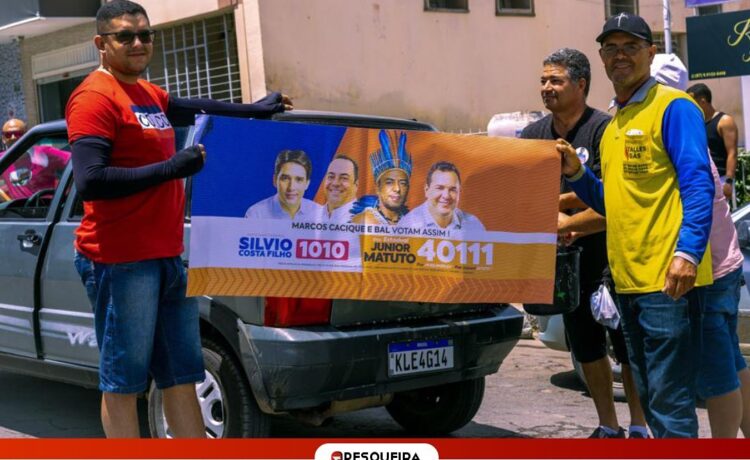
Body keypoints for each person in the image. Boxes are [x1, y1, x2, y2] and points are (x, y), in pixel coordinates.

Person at [65, 0, 291, 438]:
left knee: (182, 375)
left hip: (167, 256)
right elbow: (90, 180)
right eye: (125, 36)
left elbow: (192, 108)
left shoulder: (147, 94)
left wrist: (256, 110)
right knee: (124, 383)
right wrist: (171, 168)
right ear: (101, 43)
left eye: (145, 34)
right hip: (120, 260)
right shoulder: (94, 97)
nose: (137, 43)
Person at [558, 13, 714, 438]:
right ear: (602, 58)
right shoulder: (616, 123)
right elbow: (612, 200)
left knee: (670, 404)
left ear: (651, 52)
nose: (620, 56)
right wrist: (576, 174)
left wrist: (687, 254)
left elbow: (698, 184)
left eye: (630, 46)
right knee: (648, 395)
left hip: (668, 282)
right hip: (628, 283)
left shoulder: (674, 107)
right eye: (611, 48)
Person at [520, 48, 647, 439]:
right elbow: (523, 197)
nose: (547, 87)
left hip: (610, 262)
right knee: (586, 347)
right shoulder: (532, 136)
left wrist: (567, 219)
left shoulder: (605, 130)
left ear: (581, 84)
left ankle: (639, 427)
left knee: (627, 347)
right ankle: (608, 426)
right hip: (564, 267)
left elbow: (618, 199)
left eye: (556, 80)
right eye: (543, 80)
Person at [686, 83, 739, 207]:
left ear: (703, 101)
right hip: (702, 180)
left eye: (692, 102)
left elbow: (732, 152)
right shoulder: (696, 123)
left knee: (724, 216)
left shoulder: (724, 121)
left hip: (721, 179)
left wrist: (728, 181)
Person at [398, 161, 485, 231]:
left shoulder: (473, 225)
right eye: (439, 188)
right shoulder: (407, 226)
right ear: (427, 190)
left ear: (459, 192)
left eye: (453, 189)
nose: (446, 196)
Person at [0, 118, 71, 201]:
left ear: (26, 135)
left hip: (46, 206)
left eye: (18, 133)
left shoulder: (44, 153)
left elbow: (75, 161)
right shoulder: (3, 159)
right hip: (18, 208)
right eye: (8, 134)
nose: (13, 137)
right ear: (3, 139)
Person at [351, 130, 412, 226]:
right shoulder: (361, 221)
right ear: (377, 187)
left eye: (403, 183)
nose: (397, 189)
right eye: (389, 182)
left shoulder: (413, 222)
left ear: (408, 188)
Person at [245, 149, 322, 221]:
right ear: (275, 180)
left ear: (307, 184)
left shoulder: (319, 214)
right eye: (285, 178)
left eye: (299, 180)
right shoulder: (256, 215)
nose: (291, 187)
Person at [322, 154, 358, 223]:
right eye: (331, 177)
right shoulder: (309, 216)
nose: (335, 183)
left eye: (344, 178)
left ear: (356, 185)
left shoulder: (366, 219)